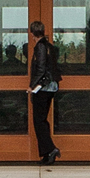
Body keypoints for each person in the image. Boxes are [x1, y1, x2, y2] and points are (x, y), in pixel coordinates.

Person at [27, 19, 61, 166]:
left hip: (43, 87)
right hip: (51, 86)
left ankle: (50, 149)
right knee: (42, 120)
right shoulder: (49, 46)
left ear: (33, 33)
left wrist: (32, 86)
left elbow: (40, 69)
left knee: (38, 120)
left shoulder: (40, 47)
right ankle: (47, 153)